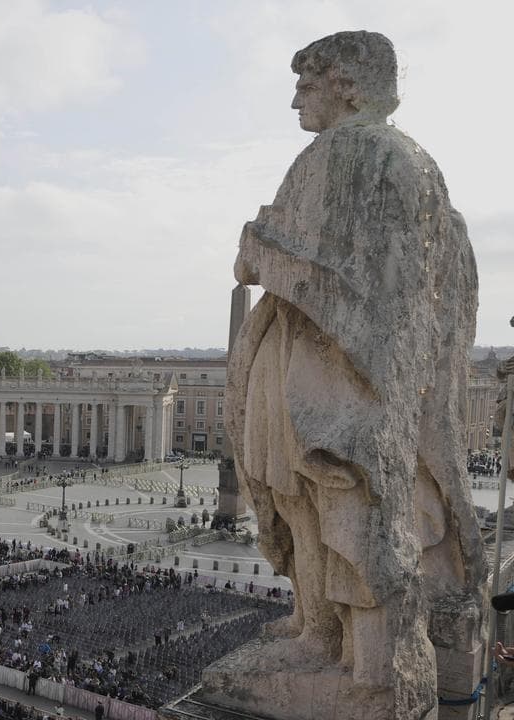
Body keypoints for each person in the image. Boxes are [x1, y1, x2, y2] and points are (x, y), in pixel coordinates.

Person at [226, 30, 484, 717]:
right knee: (315, 505)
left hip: (335, 375)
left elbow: (340, 280)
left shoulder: (347, 154)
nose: (294, 102)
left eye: (305, 86)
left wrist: (258, 252)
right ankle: (323, 634)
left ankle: (352, 658)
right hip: (345, 370)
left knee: (336, 504)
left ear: (344, 83)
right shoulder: (412, 162)